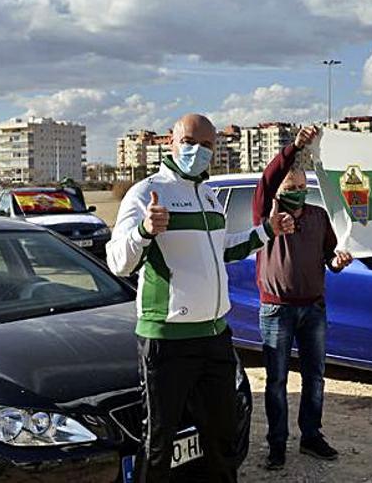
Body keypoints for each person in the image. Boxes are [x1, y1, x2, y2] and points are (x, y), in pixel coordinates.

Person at [106, 113, 295, 483]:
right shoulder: (146, 193)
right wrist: (145, 230)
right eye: (190, 142)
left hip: (215, 337)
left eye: (207, 144)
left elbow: (222, 248)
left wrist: (267, 231)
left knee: (222, 439)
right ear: (170, 142)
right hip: (167, 340)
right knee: (159, 445)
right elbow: (118, 262)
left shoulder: (208, 195)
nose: (198, 151)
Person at [251, 125, 354, 470]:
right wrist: (294, 147)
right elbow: (268, 178)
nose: (298, 191)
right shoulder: (267, 215)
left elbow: (329, 257)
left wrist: (338, 262)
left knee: (315, 377)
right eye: (291, 186)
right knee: (277, 381)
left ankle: (311, 436)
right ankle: (277, 444)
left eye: (302, 187)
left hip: (313, 309)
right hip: (276, 310)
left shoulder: (318, 217)